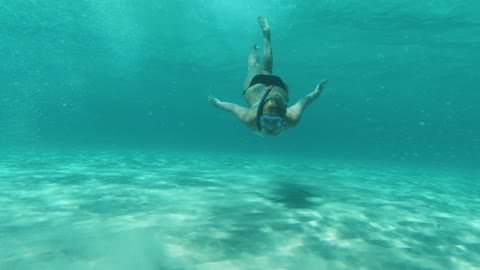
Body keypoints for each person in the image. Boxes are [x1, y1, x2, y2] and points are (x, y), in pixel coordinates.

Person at [208, 16, 328, 136]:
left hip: (276, 86)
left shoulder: (252, 119)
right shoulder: (287, 119)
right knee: (255, 66)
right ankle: (254, 47)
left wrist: (219, 104)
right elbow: (304, 101)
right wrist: (316, 91)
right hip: (255, 87)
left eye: (274, 122)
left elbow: (233, 108)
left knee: (264, 67)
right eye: (266, 121)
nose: (270, 127)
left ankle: (262, 40)